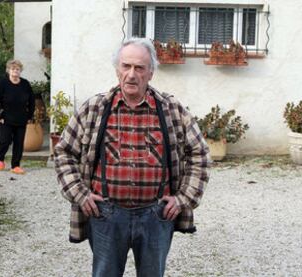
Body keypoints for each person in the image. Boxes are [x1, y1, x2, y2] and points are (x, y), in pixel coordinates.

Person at [54, 37, 211, 277]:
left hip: (156, 215)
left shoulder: (172, 109)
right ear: (117, 70)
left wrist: (182, 199)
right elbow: (64, 151)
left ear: (151, 73)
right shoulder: (94, 108)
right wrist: (80, 194)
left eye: (139, 67)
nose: (131, 74)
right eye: (126, 66)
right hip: (105, 214)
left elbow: (200, 153)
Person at [0, 59, 35, 174]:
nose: (15, 71)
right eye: (13, 69)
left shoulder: (25, 84)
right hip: (6, 118)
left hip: (21, 119)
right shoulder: (2, 84)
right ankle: (0, 158)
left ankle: (15, 165)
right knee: (5, 141)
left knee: (19, 143)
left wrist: (30, 116)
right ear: (8, 70)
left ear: (20, 70)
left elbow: (31, 101)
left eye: (17, 69)